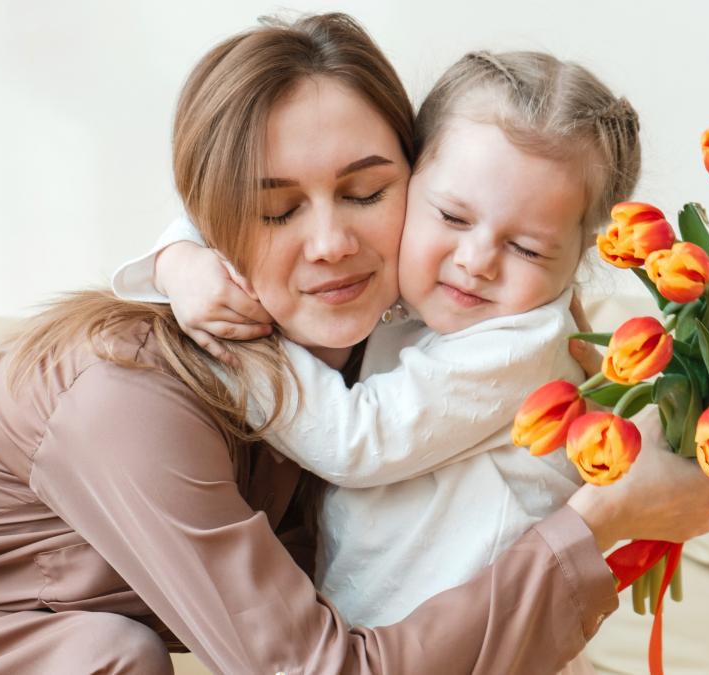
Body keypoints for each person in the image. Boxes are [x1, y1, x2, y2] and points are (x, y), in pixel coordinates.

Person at [0, 13, 709, 674]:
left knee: (107, 658)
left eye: (369, 192)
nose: (331, 244)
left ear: (414, 186)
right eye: (273, 208)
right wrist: (599, 521)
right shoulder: (137, 401)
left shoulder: (411, 342)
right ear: (217, 219)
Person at [112, 49, 674, 674]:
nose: (477, 260)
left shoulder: (520, 341)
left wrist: (230, 339)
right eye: (452, 217)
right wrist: (182, 261)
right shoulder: (421, 295)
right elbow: (246, 202)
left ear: (578, 258)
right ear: (406, 185)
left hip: (480, 651)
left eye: (526, 248)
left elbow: (357, 441)